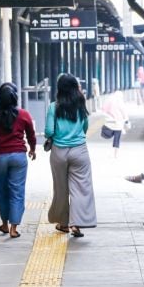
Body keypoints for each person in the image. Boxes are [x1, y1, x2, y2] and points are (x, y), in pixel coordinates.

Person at [0, 82, 36, 239]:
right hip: (18, 157)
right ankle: (14, 228)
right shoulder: (24, 114)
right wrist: (32, 149)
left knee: (2, 190)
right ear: (15, 97)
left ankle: (4, 223)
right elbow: (31, 134)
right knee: (17, 191)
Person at [45, 74, 96, 237]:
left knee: (61, 188)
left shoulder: (54, 106)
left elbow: (49, 131)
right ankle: (77, 224)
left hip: (59, 152)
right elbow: (85, 126)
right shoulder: (80, 104)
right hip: (79, 150)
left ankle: (63, 223)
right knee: (80, 188)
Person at [101, 91, 129, 159]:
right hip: (119, 123)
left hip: (110, 121)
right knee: (117, 139)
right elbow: (124, 112)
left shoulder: (109, 99)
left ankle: (110, 134)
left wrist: (107, 115)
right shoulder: (121, 102)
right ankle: (115, 155)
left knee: (105, 131)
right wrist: (126, 121)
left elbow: (103, 109)